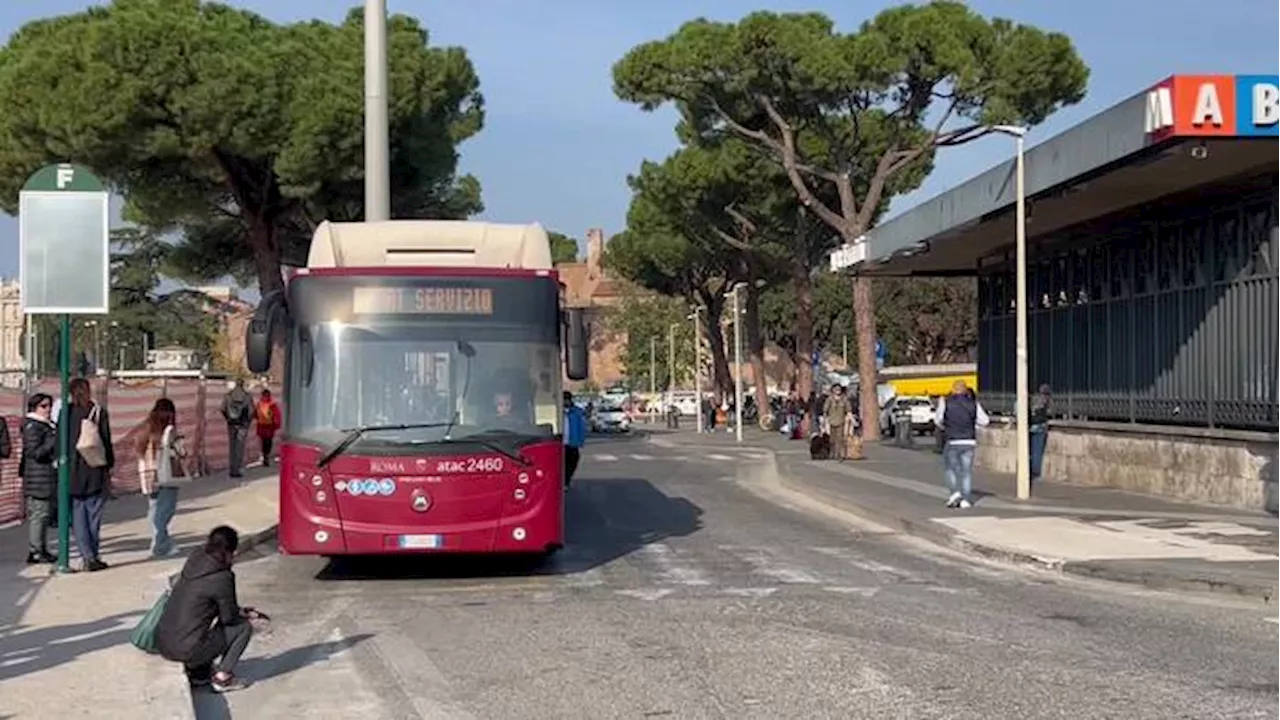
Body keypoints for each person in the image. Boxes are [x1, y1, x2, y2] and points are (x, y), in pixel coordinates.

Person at [157, 526, 261, 693]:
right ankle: (223, 678)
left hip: (164, 641)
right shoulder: (222, 577)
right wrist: (242, 613)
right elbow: (229, 618)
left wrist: (237, 609)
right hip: (186, 650)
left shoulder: (196, 558)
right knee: (243, 627)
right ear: (230, 551)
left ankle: (199, 673)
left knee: (199, 624)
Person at [66, 378, 114, 571]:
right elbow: (106, 441)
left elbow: (61, 442)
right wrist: (109, 465)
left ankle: (86, 555)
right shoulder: (98, 412)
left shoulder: (66, 413)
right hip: (94, 468)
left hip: (73, 470)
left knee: (78, 513)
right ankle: (93, 555)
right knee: (94, 514)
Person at [137, 398, 188, 558]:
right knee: (165, 509)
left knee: (154, 508)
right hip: (166, 473)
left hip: (148, 473)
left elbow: (138, 448)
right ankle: (161, 543)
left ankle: (158, 541)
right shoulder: (169, 430)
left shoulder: (146, 427)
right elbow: (181, 452)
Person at [934, 379, 989, 509]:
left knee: (950, 469)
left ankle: (954, 493)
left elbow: (938, 420)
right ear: (965, 390)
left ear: (953, 390)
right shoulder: (974, 404)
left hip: (952, 439)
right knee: (966, 472)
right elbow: (985, 421)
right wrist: (973, 424)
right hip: (969, 441)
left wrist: (946, 426)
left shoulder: (945, 402)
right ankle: (965, 499)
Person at [20, 393, 56, 564]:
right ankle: (35, 550)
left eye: (49, 405)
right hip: (37, 478)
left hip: (44, 477)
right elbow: (35, 453)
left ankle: (41, 548)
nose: (48, 409)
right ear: (35, 407)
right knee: (38, 515)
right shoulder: (33, 426)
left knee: (44, 514)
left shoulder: (45, 425)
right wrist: (52, 440)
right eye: (44, 406)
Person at [220, 379, 253, 478]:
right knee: (240, 447)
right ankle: (238, 468)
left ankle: (232, 469)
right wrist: (247, 422)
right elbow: (251, 411)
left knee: (232, 447)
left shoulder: (228, 396)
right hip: (243, 425)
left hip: (231, 424)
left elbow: (222, 408)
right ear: (242, 385)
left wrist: (228, 419)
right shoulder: (247, 397)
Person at [562, 391, 587, 488]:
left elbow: (581, 426)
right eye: (564, 400)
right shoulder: (558, 411)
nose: (565, 402)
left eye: (567, 399)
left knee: (572, 462)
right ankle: (563, 481)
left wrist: (581, 440)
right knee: (562, 464)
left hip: (572, 442)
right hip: (561, 443)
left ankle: (566, 480)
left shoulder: (577, 411)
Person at [253, 389, 281, 468]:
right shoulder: (273, 404)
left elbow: (255, 415)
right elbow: (277, 415)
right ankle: (266, 456)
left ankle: (264, 456)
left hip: (261, 426)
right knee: (268, 442)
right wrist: (276, 426)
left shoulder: (259, 404)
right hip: (269, 427)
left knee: (262, 442)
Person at [1029, 383, 1052, 482]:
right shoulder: (1046, 400)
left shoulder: (1033, 399)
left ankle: (1030, 470)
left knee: (1031, 450)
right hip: (1041, 426)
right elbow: (1050, 412)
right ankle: (1036, 473)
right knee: (1038, 451)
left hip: (1031, 426)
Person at [822, 385, 851, 460]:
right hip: (831, 421)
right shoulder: (829, 399)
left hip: (841, 421)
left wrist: (851, 420)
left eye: (839, 389)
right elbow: (825, 410)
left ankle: (838, 454)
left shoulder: (844, 399)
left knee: (839, 438)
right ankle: (832, 452)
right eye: (836, 389)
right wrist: (824, 421)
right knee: (832, 439)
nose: (838, 390)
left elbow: (848, 410)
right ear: (833, 390)